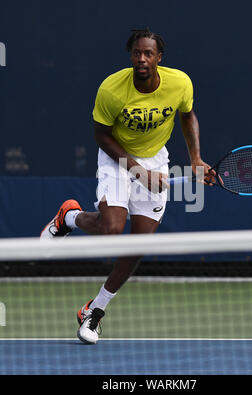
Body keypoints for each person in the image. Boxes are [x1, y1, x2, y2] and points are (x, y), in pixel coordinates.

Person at [40, 28, 215, 344]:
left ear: (159, 57)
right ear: (131, 56)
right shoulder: (111, 89)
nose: (142, 59)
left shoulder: (180, 83)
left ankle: (94, 311)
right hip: (117, 157)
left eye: (149, 53)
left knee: (136, 247)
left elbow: (188, 116)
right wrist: (136, 171)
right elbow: (101, 136)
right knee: (111, 232)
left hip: (155, 160)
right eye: (137, 53)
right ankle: (69, 217)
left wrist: (197, 159)